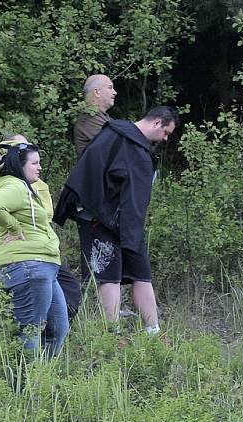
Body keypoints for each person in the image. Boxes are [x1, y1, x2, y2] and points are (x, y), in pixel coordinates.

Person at [54, 106, 178, 335]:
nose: (165, 139)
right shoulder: (121, 139)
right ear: (157, 122)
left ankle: (153, 331)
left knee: (141, 272)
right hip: (98, 218)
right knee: (108, 275)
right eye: (166, 133)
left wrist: (129, 229)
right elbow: (93, 175)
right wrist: (103, 215)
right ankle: (112, 333)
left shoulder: (126, 139)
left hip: (124, 221)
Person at [0, 134, 82, 321]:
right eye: (21, 146)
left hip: (46, 249)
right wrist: (15, 229)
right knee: (31, 322)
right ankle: (31, 346)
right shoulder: (9, 181)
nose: (39, 166)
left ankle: (46, 342)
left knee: (69, 296)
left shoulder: (34, 181)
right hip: (28, 254)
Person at [74, 74, 117, 158]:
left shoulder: (101, 117)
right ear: (97, 92)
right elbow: (118, 145)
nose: (115, 92)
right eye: (110, 87)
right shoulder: (88, 120)